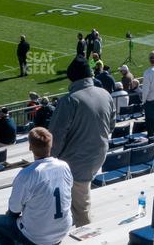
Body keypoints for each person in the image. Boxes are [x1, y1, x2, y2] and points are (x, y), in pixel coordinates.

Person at [49, 55, 115, 227]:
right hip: (97, 155)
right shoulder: (105, 94)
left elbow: (55, 138)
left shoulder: (70, 100)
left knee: (81, 209)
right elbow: (111, 125)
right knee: (78, 198)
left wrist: (48, 161)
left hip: (77, 162)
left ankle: (87, 234)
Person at [0, 128, 73, 245]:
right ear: (51, 145)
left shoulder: (27, 174)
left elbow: (14, 210)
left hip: (37, 237)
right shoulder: (64, 166)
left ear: (30, 147)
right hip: (62, 230)